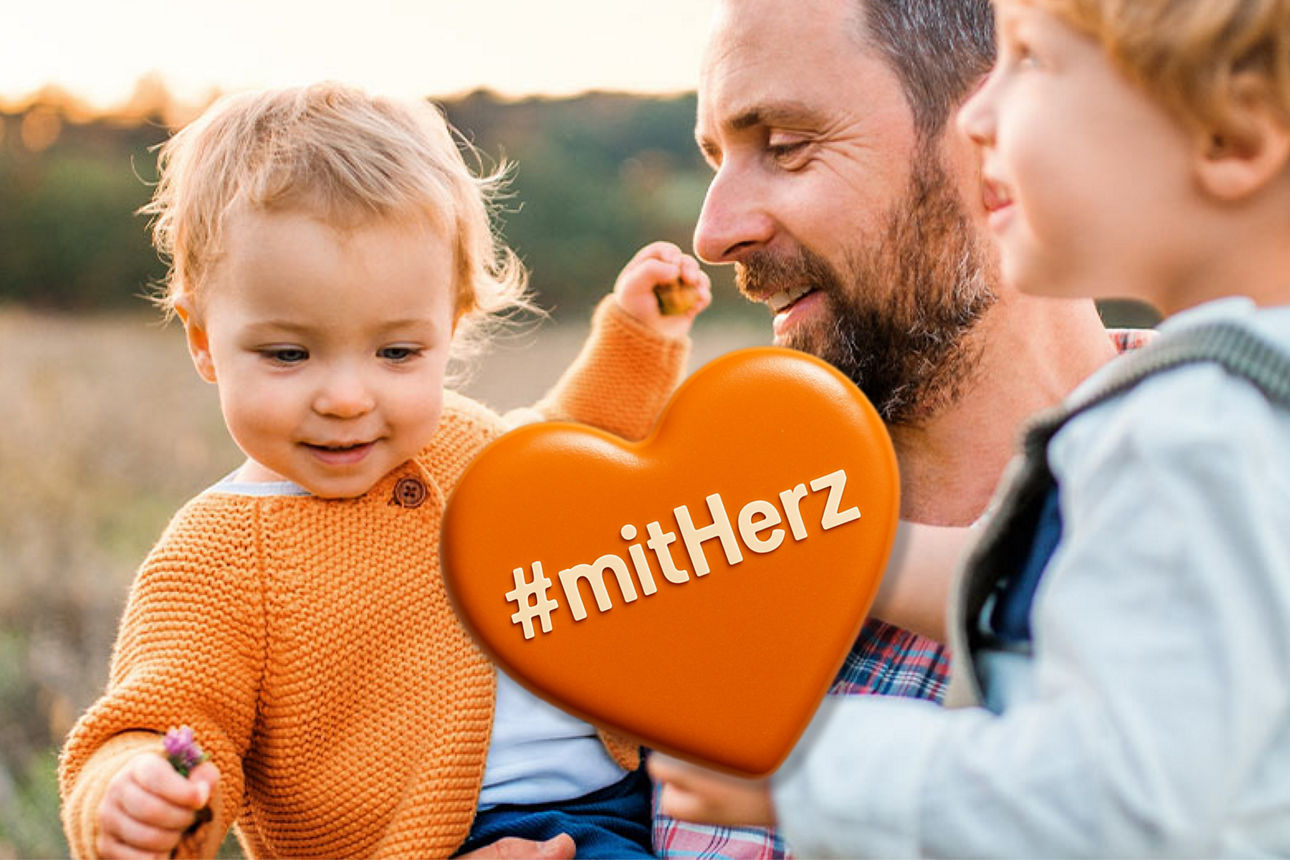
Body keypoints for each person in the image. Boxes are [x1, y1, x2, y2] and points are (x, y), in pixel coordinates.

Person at [652, 0, 1290, 854]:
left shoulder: (1196, 433)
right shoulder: (704, 548)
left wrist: (809, 768)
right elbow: (1016, 570)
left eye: (787, 144)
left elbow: (1137, 796)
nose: (711, 234)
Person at [56, 83, 712, 859]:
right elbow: (167, 717)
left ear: (453, 323)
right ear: (203, 340)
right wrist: (137, 790)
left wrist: (637, 339)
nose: (344, 397)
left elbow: (570, 458)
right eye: (288, 354)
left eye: (397, 352)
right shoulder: (217, 556)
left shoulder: (466, 442)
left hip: (631, 791)